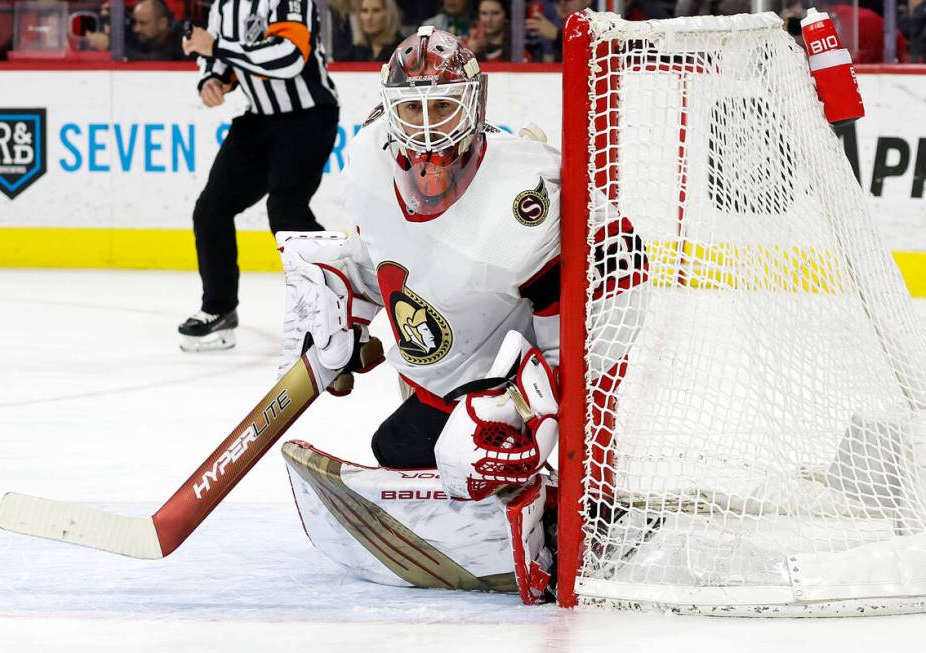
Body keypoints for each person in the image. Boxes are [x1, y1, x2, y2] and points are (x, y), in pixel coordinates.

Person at [275, 27, 648, 603]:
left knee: (470, 453)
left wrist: (535, 410)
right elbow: (387, 258)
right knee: (396, 450)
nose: (427, 126)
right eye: (412, 108)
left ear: (474, 103)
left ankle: (581, 501)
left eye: (443, 106)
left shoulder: (527, 191)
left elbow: (620, 271)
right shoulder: (368, 161)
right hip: (445, 372)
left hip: (513, 372)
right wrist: (345, 298)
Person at [178, 0, 339, 351]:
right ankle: (219, 310)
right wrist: (212, 78)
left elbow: (289, 56)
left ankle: (332, 307)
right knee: (211, 209)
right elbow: (217, 55)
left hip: (308, 116)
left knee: (286, 210)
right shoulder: (223, 3)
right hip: (260, 119)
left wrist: (216, 48)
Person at [336, 0, 402, 61]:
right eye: (364, 11)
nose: (369, 17)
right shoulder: (352, 54)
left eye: (376, 10)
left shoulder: (403, 51)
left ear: (389, 15)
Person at [525, 0, 591, 62]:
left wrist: (557, 35)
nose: (562, 3)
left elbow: (588, 54)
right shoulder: (546, 23)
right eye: (558, 0)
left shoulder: (596, 27)